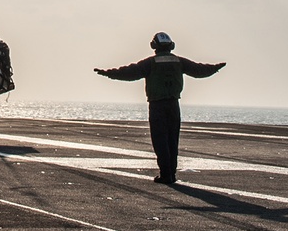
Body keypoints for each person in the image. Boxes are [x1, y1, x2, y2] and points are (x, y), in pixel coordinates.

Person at [94, 33, 225, 184]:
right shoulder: (179, 61)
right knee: (172, 140)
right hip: (174, 104)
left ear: (154, 46)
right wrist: (216, 67)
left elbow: (129, 72)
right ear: (171, 46)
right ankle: (172, 174)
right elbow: (200, 70)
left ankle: (165, 174)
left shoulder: (151, 63)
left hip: (157, 105)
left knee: (160, 139)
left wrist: (108, 73)